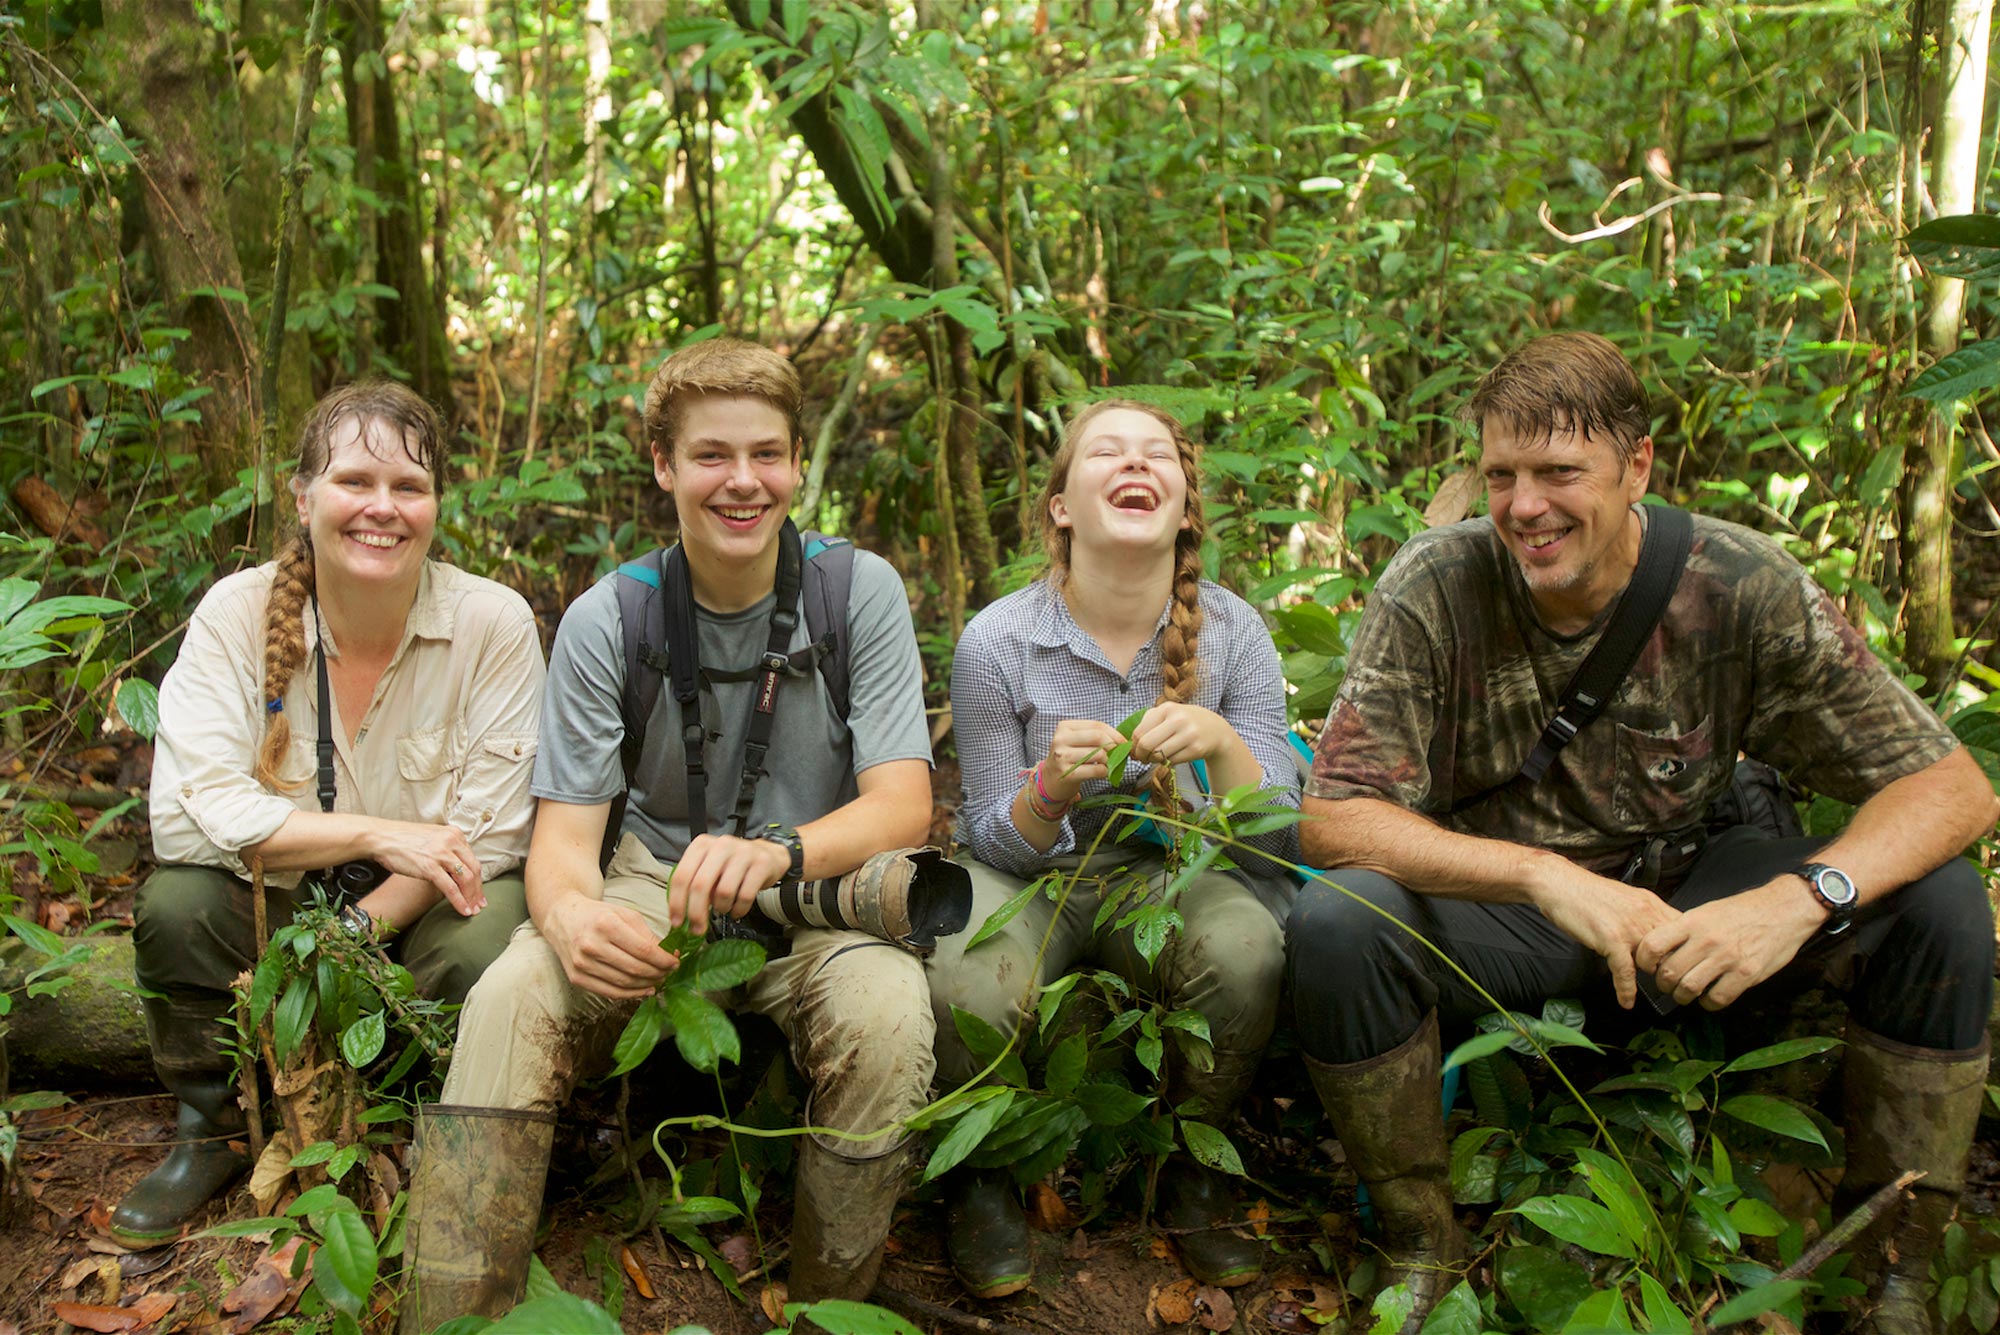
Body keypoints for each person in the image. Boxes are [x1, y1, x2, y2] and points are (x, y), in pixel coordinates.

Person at [1286, 331, 1998, 1335]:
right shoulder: (1435, 583)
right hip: (1517, 922)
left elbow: (1953, 787)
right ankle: (1416, 1244)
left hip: (1691, 896)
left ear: (1637, 467)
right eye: (1500, 475)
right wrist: (1537, 876)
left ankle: (1892, 1271)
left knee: (1939, 899)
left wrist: (1797, 900)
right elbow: (1331, 818)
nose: (1523, 506)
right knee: (1338, 916)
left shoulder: (1737, 580)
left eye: (1557, 472)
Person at [401, 338, 936, 1327]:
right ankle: (450, 1312)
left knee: (888, 1013)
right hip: (654, 876)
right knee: (516, 993)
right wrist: (565, 919)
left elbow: (903, 803)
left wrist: (781, 852)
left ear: (797, 464)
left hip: (821, 885)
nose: (743, 482)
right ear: (662, 465)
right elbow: (565, 841)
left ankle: (828, 1306)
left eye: (767, 455)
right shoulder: (615, 616)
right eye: (711, 456)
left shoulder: (855, 593)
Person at [119, 382, 543, 1248]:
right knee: (175, 904)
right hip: (278, 905)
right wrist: (374, 834)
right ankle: (214, 1128)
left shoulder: (492, 623)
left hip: (412, 914)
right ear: (304, 496)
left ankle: (415, 1119)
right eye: (355, 481)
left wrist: (352, 932)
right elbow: (187, 821)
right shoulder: (238, 615)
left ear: (435, 506)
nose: (381, 508)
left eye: (409, 488)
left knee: (486, 926)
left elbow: (495, 832)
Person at [927, 400, 1300, 1298]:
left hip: (1169, 871)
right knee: (965, 979)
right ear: (1061, 504)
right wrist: (1048, 788)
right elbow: (989, 835)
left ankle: (1190, 1169)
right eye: (1106, 452)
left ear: (1183, 504)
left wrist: (1217, 739)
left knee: (1249, 952)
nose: (1134, 465)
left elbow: (1280, 831)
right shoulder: (998, 640)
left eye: (1156, 456)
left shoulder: (1235, 631)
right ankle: (977, 1176)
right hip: (1034, 876)